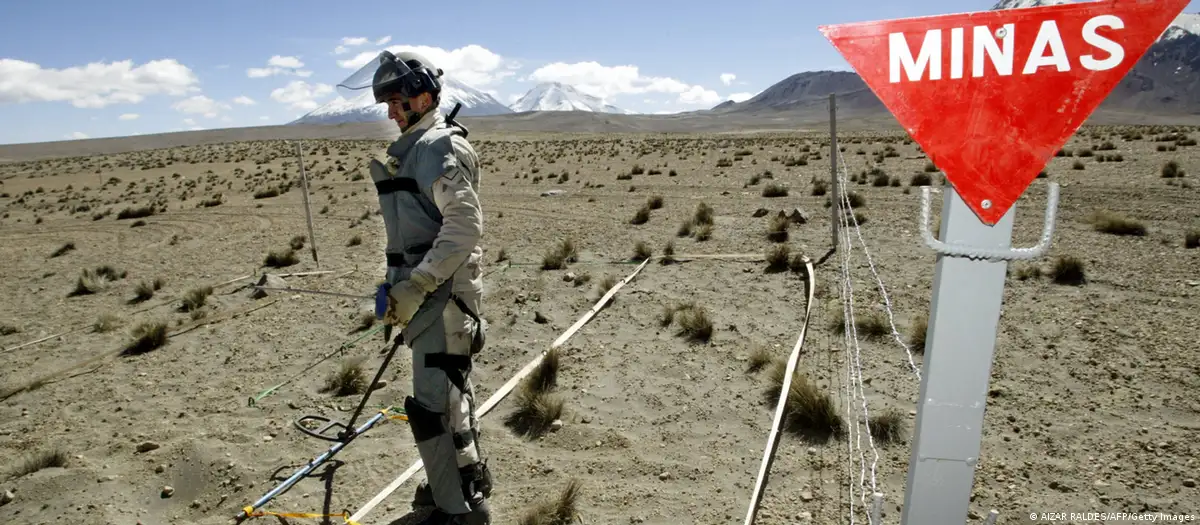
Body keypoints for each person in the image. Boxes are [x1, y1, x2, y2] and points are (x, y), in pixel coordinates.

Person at [363, 50, 492, 525]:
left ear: (423, 95)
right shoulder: (419, 148)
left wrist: (416, 285)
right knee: (445, 399)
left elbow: (463, 227)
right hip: (428, 300)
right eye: (387, 105)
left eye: (396, 101)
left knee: (435, 406)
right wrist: (395, 289)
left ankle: (456, 510)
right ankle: (456, 488)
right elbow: (416, 233)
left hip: (442, 302)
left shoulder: (439, 148)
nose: (391, 113)